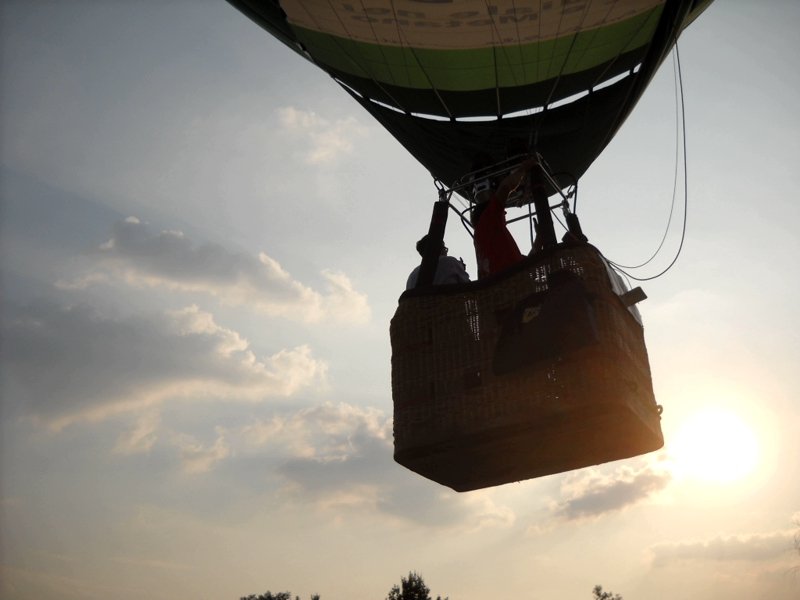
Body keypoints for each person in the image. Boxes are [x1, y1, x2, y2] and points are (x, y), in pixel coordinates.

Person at [471, 157, 539, 279]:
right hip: (511, 288)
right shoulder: (488, 220)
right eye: (502, 211)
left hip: (510, 290)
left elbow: (527, 264)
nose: (505, 213)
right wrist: (523, 168)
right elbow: (505, 187)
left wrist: (539, 237)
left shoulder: (489, 239)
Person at [405, 234, 470, 290]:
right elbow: (469, 287)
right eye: (444, 248)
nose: (446, 252)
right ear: (440, 248)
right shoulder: (450, 262)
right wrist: (460, 268)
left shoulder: (411, 276)